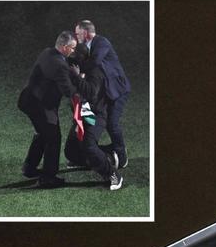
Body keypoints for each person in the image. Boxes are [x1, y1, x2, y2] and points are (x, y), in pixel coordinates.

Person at [18, 31, 78, 188]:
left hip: (28, 100)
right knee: (53, 137)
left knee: (41, 133)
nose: (74, 51)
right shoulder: (60, 65)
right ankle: (48, 177)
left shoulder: (47, 52)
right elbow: (68, 92)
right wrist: (78, 77)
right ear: (64, 47)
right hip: (41, 106)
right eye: (72, 48)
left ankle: (29, 168)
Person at [64, 44, 123, 190]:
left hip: (95, 116)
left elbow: (90, 93)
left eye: (75, 59)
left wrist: (77, 77)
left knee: (89, 146)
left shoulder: (96, 72)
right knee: (70, 152)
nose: (72, 63)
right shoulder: (77, 68)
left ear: (83, 58)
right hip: (82, 114)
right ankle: (105, 155)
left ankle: (113, 174)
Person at [75, 20, 131, 169]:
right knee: (103, 122)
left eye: (78, 33)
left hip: (118, 91)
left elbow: (94, 62)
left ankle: (121, 155)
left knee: (112, 124)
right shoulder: (88, 46)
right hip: (107, 92)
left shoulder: (101, 42)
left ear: (85, 32)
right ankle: (100, 151)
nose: (76, 36)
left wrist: (76, 72)